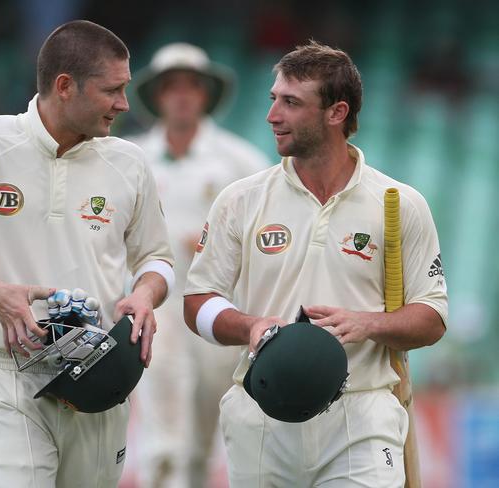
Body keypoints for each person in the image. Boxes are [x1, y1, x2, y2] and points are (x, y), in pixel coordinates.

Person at [0, 20, 174, 488]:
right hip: (4, 372)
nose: (124, 104)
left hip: (99, 373)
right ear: (65, 86)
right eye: (112, 90)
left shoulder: (128, 162)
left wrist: (146, 295)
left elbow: (156, 258)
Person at [183, 40, 447, 487]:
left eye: (290, 102)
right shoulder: (241, 199)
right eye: (272, 100)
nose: (272, 115)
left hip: (361, 416)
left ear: (336, 113)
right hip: (262, 415)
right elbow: (196, 304)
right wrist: (247, 325)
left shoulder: (399, 203)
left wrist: (367, 323)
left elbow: (433, 319)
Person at [129, 42, 270, 487]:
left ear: (206, 94)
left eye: (192, 86)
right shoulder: (129, 159)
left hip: (216, 311)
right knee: (163, 435)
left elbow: (269, 236)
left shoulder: (241, 162)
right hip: (156, 309)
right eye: (172, 87)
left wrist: (220, 246)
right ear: (158, 96)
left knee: (201, 440)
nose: (183, 96)